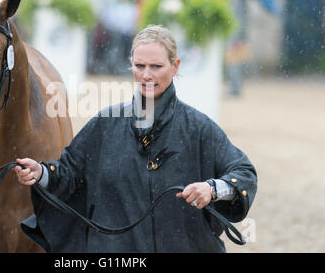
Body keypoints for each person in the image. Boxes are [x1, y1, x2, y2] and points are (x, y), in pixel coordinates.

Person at [14, 25, 257, 253]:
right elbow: (69, 173)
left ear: (175, 66)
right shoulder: (105, 124)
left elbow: (244, 174)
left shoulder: (200, 128)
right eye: (139, 66)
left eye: (156, 66)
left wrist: (212, 189)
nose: (146, 75)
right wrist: (41, 173)